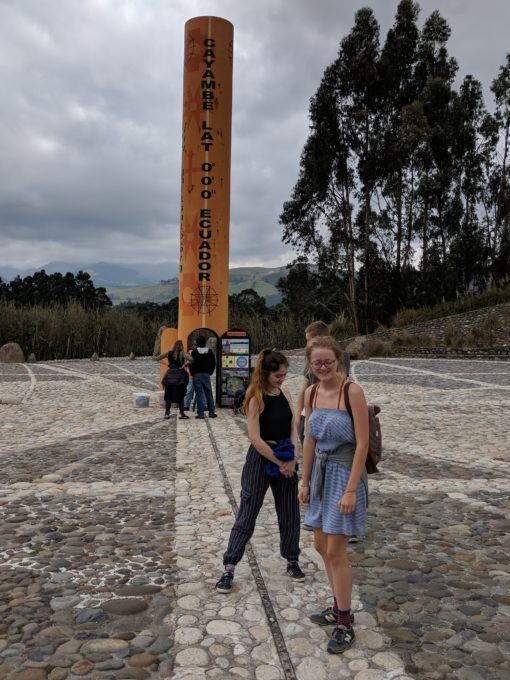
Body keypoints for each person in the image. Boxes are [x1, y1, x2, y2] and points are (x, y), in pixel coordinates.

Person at [298, 336, 369, 655]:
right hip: (319, 476)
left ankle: (345, 622)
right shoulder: (311, 391)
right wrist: (304, 480)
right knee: (322, 546)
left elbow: (363, 445)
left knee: (337, 551)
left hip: (343, 474)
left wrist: (352, 488)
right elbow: (310, 438)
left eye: (328, 361)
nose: (323, 367)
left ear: (338, 360)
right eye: (317, 363)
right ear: (310, 365)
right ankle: (338, 605)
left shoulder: (352, 392)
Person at [216, 349, 304, 593]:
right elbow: (254, 438)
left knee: (289, 512)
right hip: (262, 458)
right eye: (278, 375)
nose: (282, 379)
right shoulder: (255, 398)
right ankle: (229, 565)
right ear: (265, 374)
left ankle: (292, 559)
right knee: (248, 511)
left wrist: (293, 456)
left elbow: (293, 426)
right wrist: (279, 462)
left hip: (286, 454)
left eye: (285, 375)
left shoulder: (284, 392)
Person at [190, 335, 217, 419]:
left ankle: (200, 413)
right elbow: (213, 363)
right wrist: (210, 372)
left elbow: (191, 363)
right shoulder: (209, 351)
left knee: (199, 394)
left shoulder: (194, 352)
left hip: (197, 375)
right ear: (205, 342)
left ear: (197, 343)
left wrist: (192, 373)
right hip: (206, 374)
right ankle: (211, 412)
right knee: (209, 393)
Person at [163, 340, 191, 420]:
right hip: (179, 377)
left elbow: (156, 358)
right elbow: (191, 359)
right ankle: (182, 413)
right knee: (180, 395)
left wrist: (167, 364)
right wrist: (184, 365)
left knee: (168, 395)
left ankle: (167, 413)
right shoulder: (182, 353)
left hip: (169, 377)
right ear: (181, 346)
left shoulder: (168, 353)